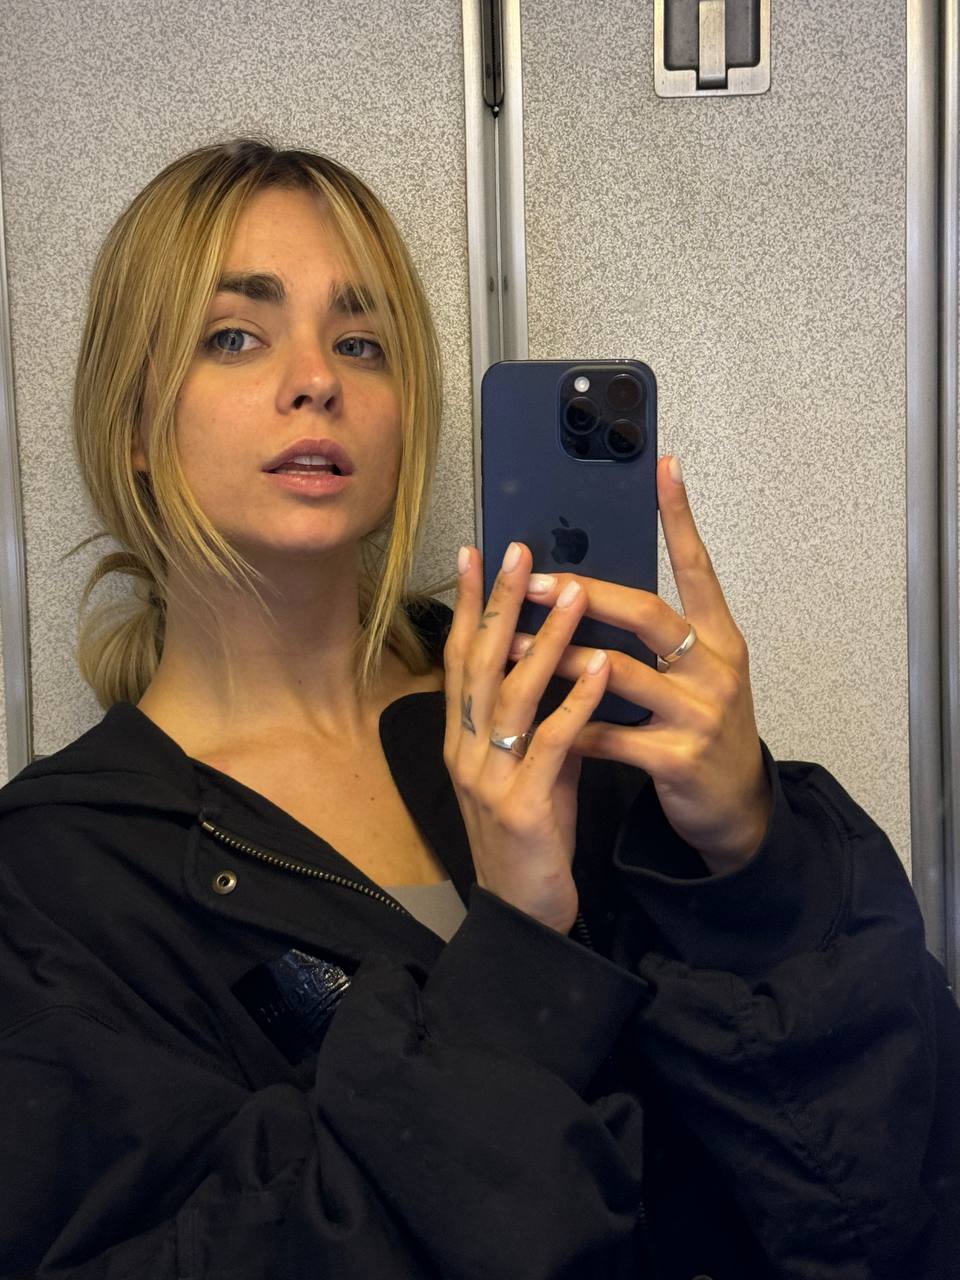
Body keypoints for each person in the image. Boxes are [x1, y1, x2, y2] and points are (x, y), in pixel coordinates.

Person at [0, 138, 956, 1280]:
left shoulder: (564, 704)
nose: (317, 379)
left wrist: (753, 853)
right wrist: (514, 951)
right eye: (236, 336)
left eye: (361, 342)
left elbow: (879, 1196)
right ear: (134, 424)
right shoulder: (60, 875)